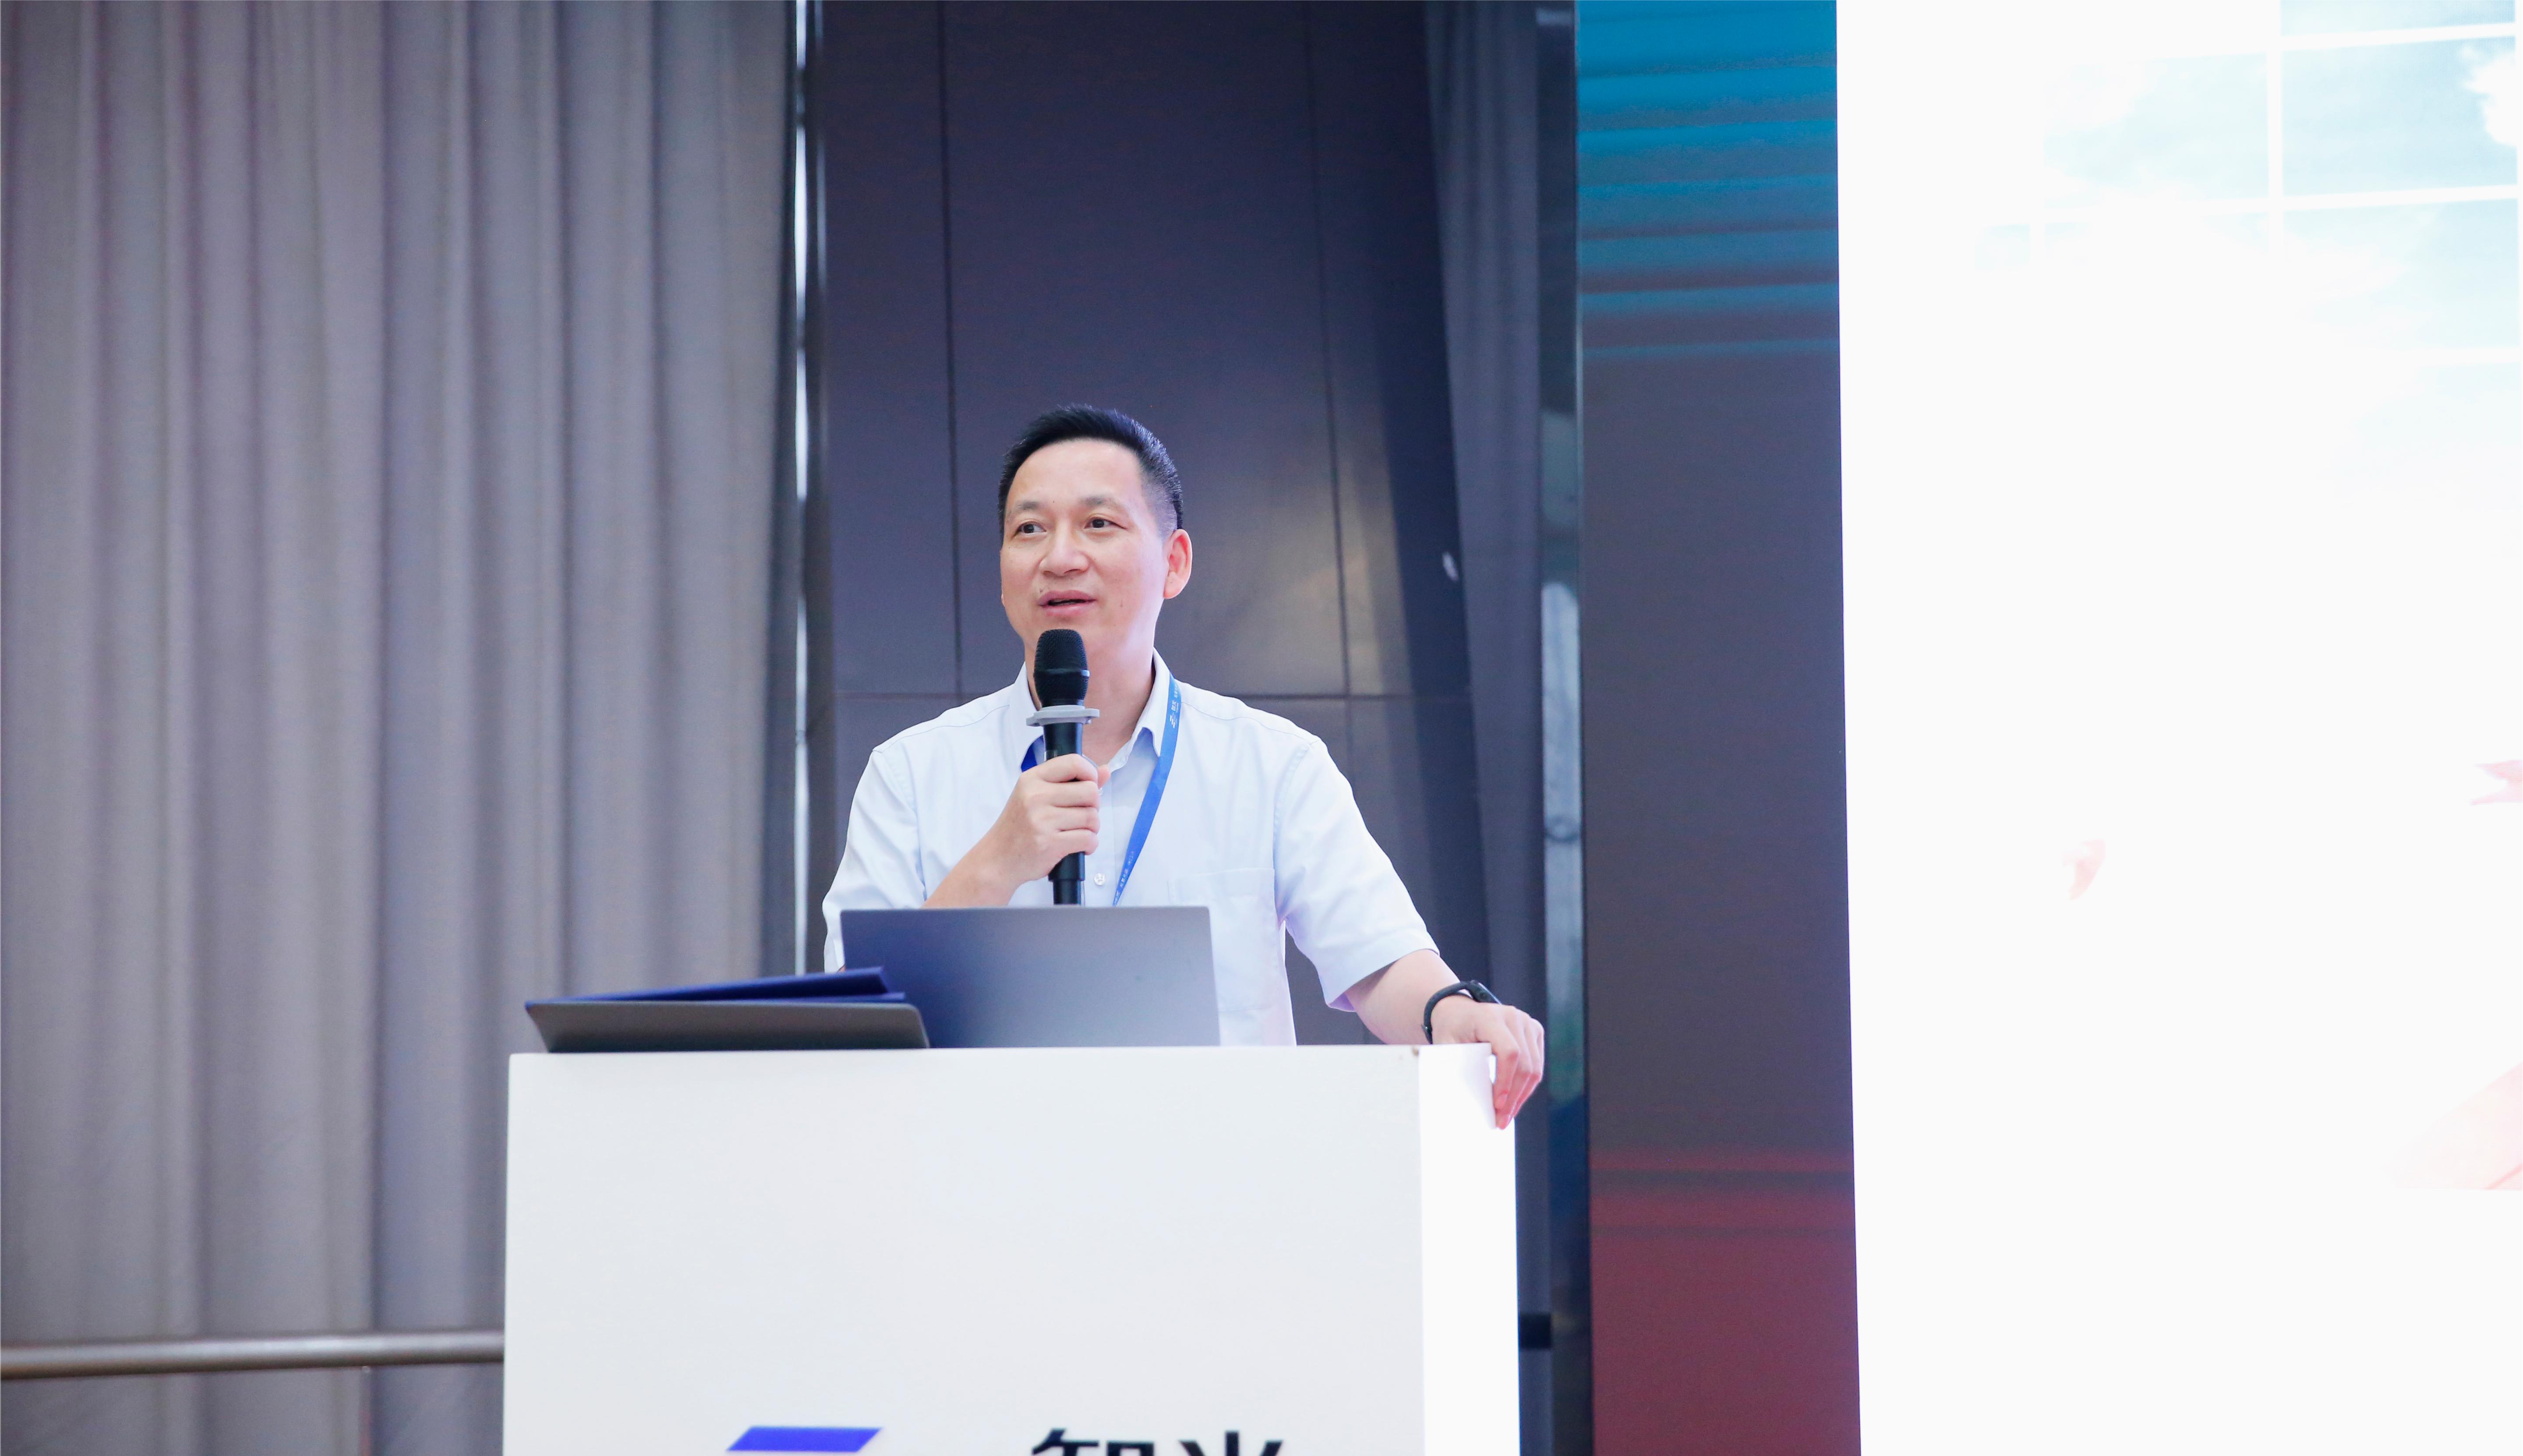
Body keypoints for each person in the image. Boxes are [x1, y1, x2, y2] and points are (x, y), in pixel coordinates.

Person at [823, 405, 1544, 1126]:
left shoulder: (1272, 766)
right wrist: (996, 864)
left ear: (1175, 563)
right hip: (980, 1166)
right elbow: (854, 1018)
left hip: (1216, 1167)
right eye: (1030, 529)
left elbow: (1379, 960)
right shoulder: (911, 774)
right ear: (1004, 574)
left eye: (1098, 523)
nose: (1060, 556)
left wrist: (1453, 1012)